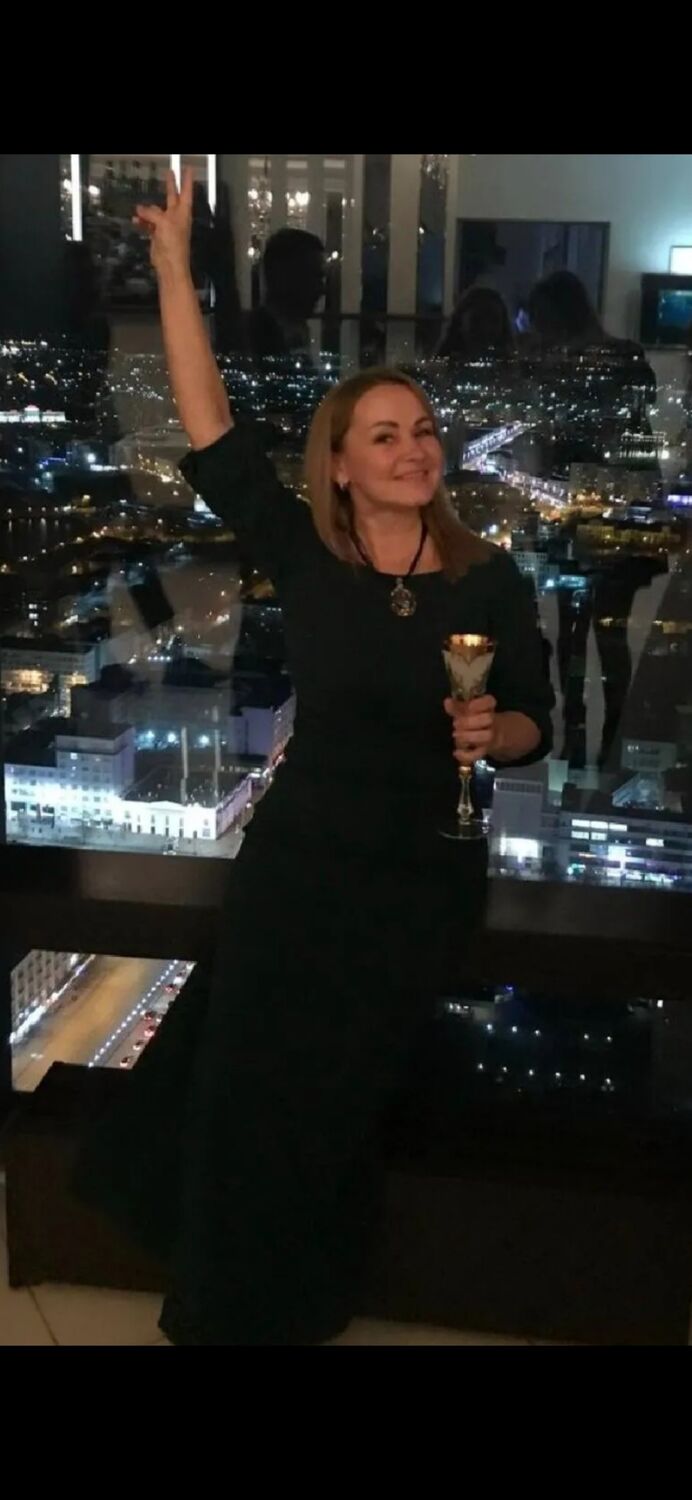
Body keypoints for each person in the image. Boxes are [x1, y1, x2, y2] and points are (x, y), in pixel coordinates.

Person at [75, 171, 554, 1346]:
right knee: (247, 1094)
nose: (412, 449)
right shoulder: (307, 559)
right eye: (382, 435)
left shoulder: (487, 580)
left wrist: (498, 733)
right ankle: (219, 1308)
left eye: (421, 431)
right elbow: (209, 427)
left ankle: (306, 1303)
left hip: (418, 878)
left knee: (336, 1109)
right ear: (338, 463)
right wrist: (175, 268)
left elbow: (536, 722)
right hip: (298, 872)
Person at [245, 226, 326, 361]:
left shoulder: (290, 333)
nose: (322, 289)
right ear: (284, 276)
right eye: (313, 276)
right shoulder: (260, 339)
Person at [437, 286, 514, 361]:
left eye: (494, 320)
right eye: (476, 321)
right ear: (459, 324)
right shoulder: (443, 365)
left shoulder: (511, 365)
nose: (485, 328)